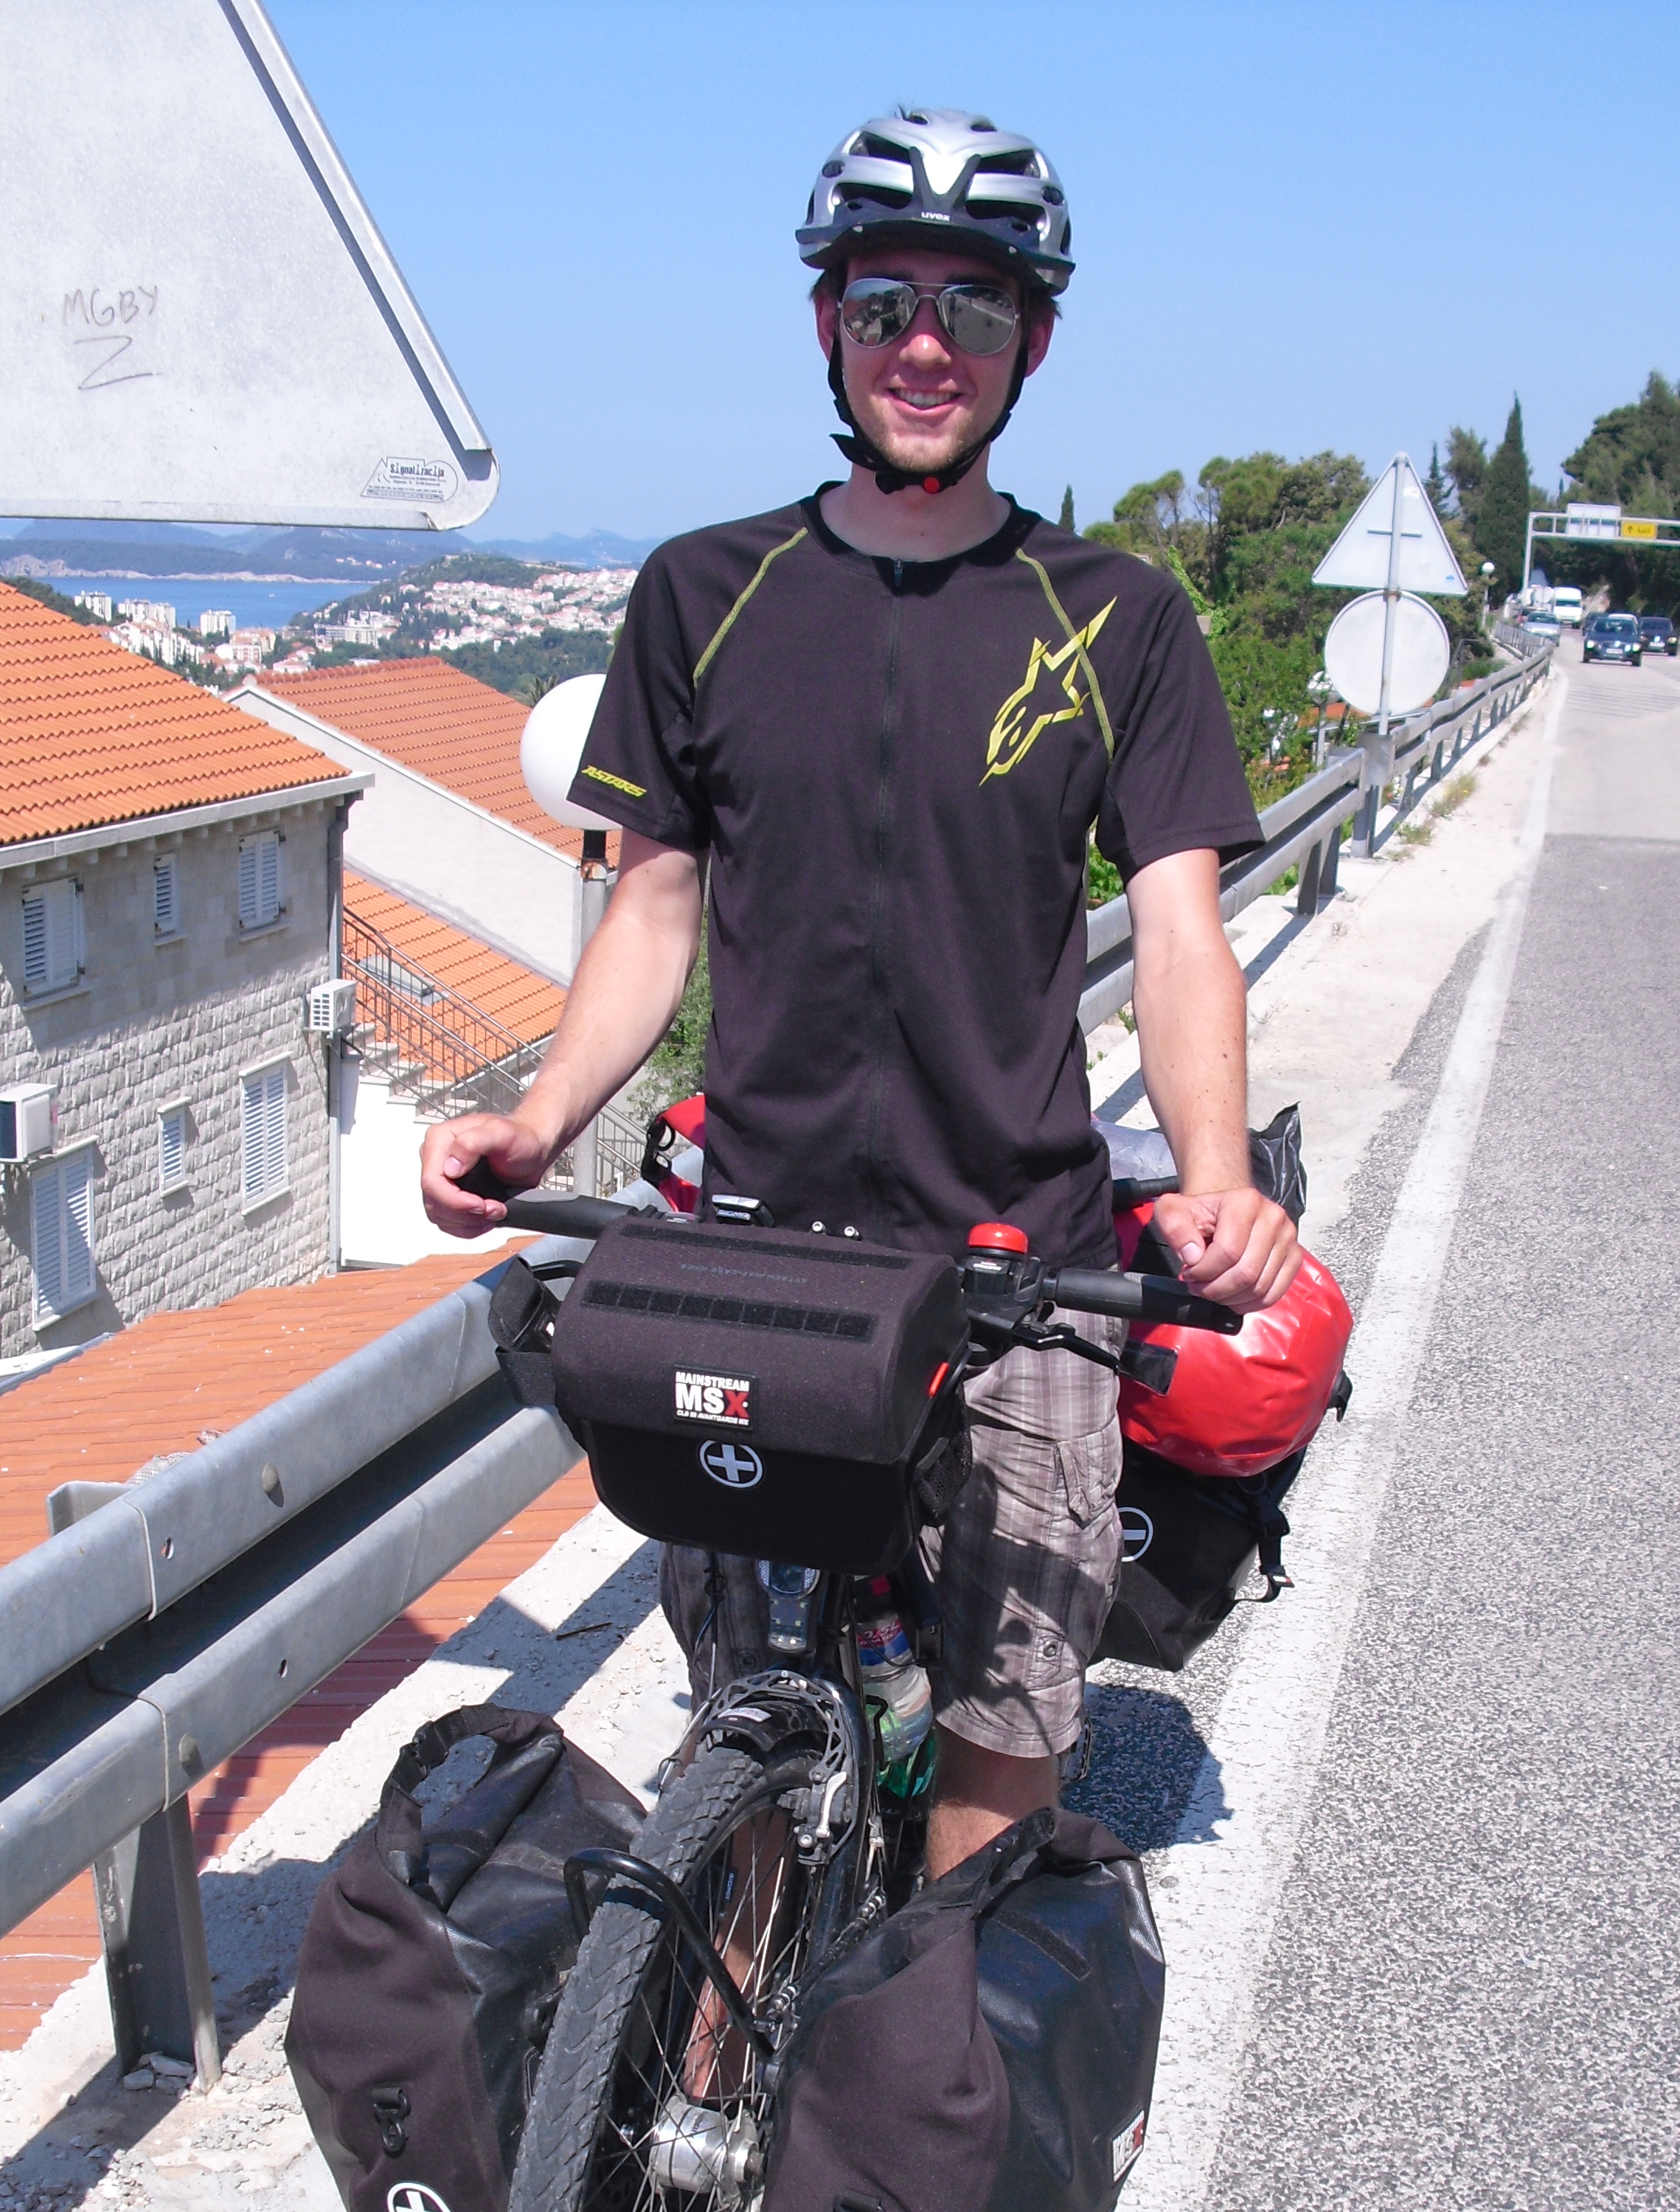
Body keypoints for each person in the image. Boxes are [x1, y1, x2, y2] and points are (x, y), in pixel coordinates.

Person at [422, 106, 1299, 1877]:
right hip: (759, 1252)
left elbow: (1178, 924)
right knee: (742, 1724)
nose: (926, 344)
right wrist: (539, 1117)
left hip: (1019, 1257)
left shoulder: (1114, 615)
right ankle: (715, 2015)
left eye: (975, 308)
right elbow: (654, 908)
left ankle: (942, 2010)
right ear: (827, 321)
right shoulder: (704, 592)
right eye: (887, 301)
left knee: (1000, 1734)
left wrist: (1214, 1178)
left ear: (1035, 339)